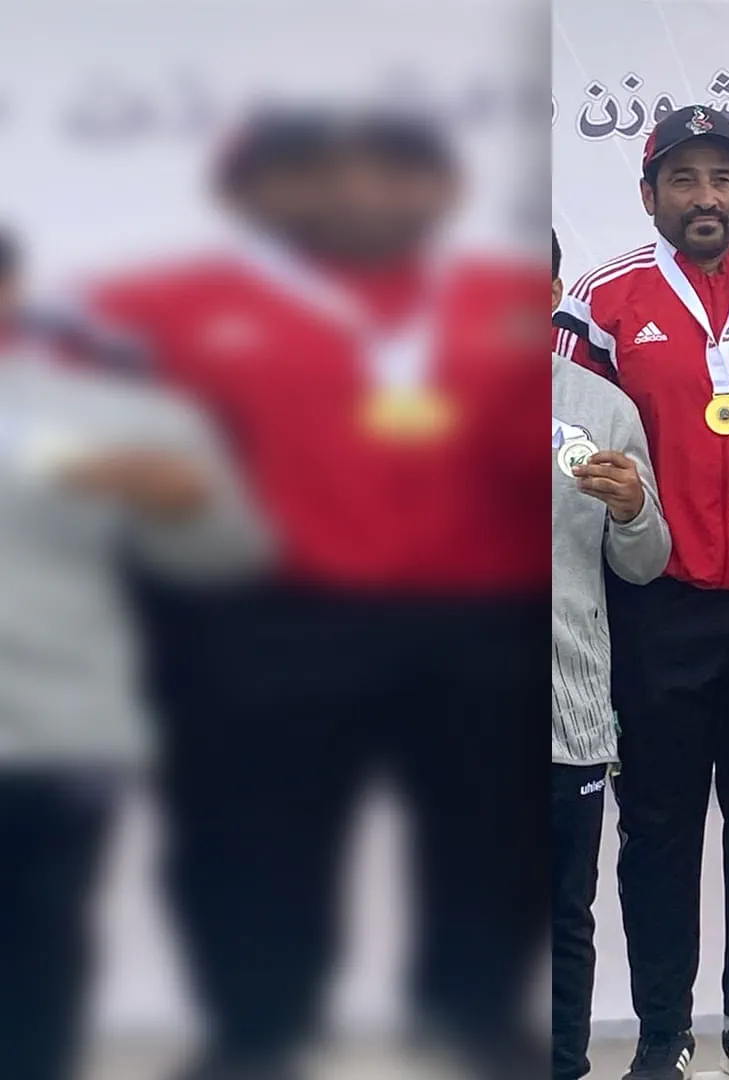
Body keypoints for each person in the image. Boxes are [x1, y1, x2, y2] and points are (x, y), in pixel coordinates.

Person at [88, 109, 551, 1080]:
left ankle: (471, 1016)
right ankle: (256, 1029)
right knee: (250, 837)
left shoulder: (501, 298)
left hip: (469, 624)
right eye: (336, 176)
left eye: (399, 176)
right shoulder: (164, 303)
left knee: (488, 836)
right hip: (273, 619)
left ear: (441, 193)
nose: (365, 197)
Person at [552, 104, 729, 1080]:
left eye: (722, 178)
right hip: (654, 605)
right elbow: (560, 443)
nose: (705, 197)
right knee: (657, 830)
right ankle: (663, 1035)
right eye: (684, 179)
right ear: (649, 195)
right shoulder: (601, 300)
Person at [0, 228, 268, 1080]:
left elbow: (229, 554)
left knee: (36, 960)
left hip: (52, 738)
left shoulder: (121, 417)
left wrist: (184, 504)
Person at [551, 228, 673, 1080]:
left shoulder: (604, 410)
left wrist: (633, 508)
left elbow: (646, 561)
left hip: (567, 709)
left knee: (563, 915)